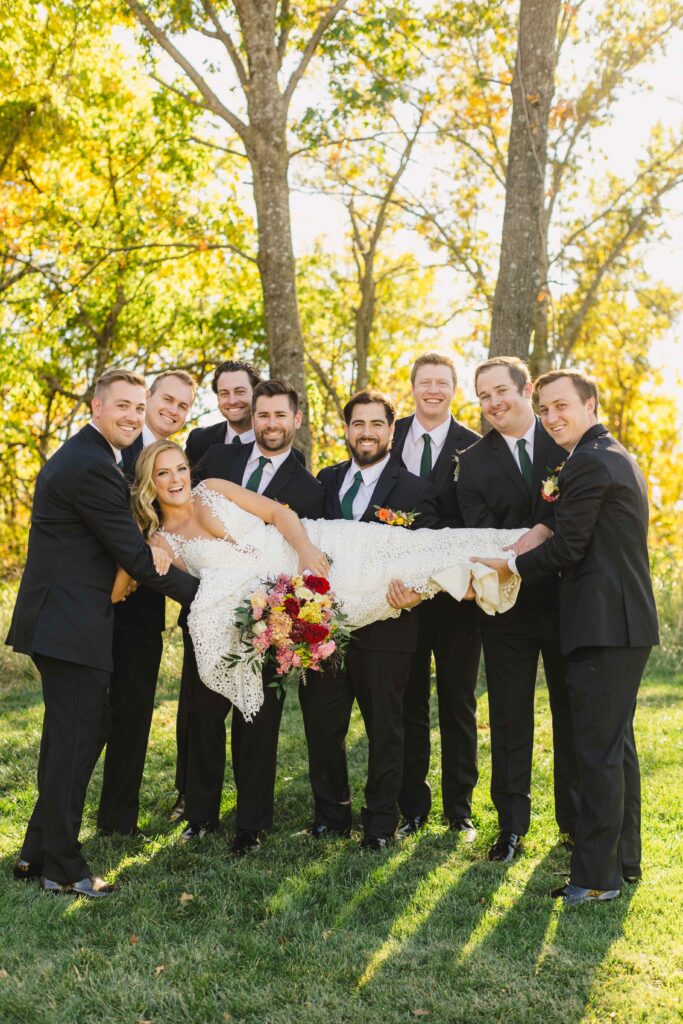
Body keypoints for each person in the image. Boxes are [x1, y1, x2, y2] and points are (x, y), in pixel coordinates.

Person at [7, 369, 199, 899]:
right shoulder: (90, 466)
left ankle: (34, 854)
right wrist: (206, 597)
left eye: (139, 408)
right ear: (96, 407)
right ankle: (64, 869)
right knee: (76, 742)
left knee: (65, 742)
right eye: (123, 406)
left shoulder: (98, 458)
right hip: (69, 624)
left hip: (66, 622)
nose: (134, 416)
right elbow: (135, 557)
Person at [476, 369, 659, 904]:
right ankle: (624, 862)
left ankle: (596, 879)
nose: (553, 418)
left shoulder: (589, 463)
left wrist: (507, 566)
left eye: (562, 407)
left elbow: (567, 548)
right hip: (620, 622)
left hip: (604, 625)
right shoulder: (605, 456)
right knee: (615, 747)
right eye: (546, 408)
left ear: (590, 404)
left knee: (598, 752)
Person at [183, 380, 324, 853]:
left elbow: (302, 555)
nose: (270, 424)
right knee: (202, 717)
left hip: (267, 619)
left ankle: (251, 824)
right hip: (211, 609)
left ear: (296, 420)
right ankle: (198, 815)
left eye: (280, 415)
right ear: (254, 418)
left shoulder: (309, 487)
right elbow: (181, 508)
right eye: (263, 415)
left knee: (257, 722)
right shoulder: (220, 462)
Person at [457, 356, 580, 862]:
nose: (493, 404)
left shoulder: (568, 442)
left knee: (571, 715)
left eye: (501, 391)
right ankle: (510, 826)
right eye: (483, 396)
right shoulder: (472, 460)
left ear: (526, 389)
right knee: (509, 718)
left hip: (569, 601)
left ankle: (574, 823)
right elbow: (483, 534)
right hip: (505, 606)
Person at [96, 370, 197, 839]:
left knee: (134, 714)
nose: (173, 411)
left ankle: (118, 821)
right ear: (147, 398)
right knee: (90, 719)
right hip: (100, 601)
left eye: (184, 406)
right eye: (166, 400)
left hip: (144, 612)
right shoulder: (117, 452)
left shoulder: (175, 461)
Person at [390, 353, 481, 840]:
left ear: (453, 389)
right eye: (424, 382)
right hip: (401, 594)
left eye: (441, 383)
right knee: (408, 702)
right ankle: (412, 806)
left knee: (458, 700)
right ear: (412, 387)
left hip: (457, 598)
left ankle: (459, 809)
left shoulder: (476, 446)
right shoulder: (390, 434)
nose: (433, 390)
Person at [185, 359, 261, 464]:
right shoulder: (198, 441)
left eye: (240, 392)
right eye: (224, 393)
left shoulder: (274, 440)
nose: (232, 401)